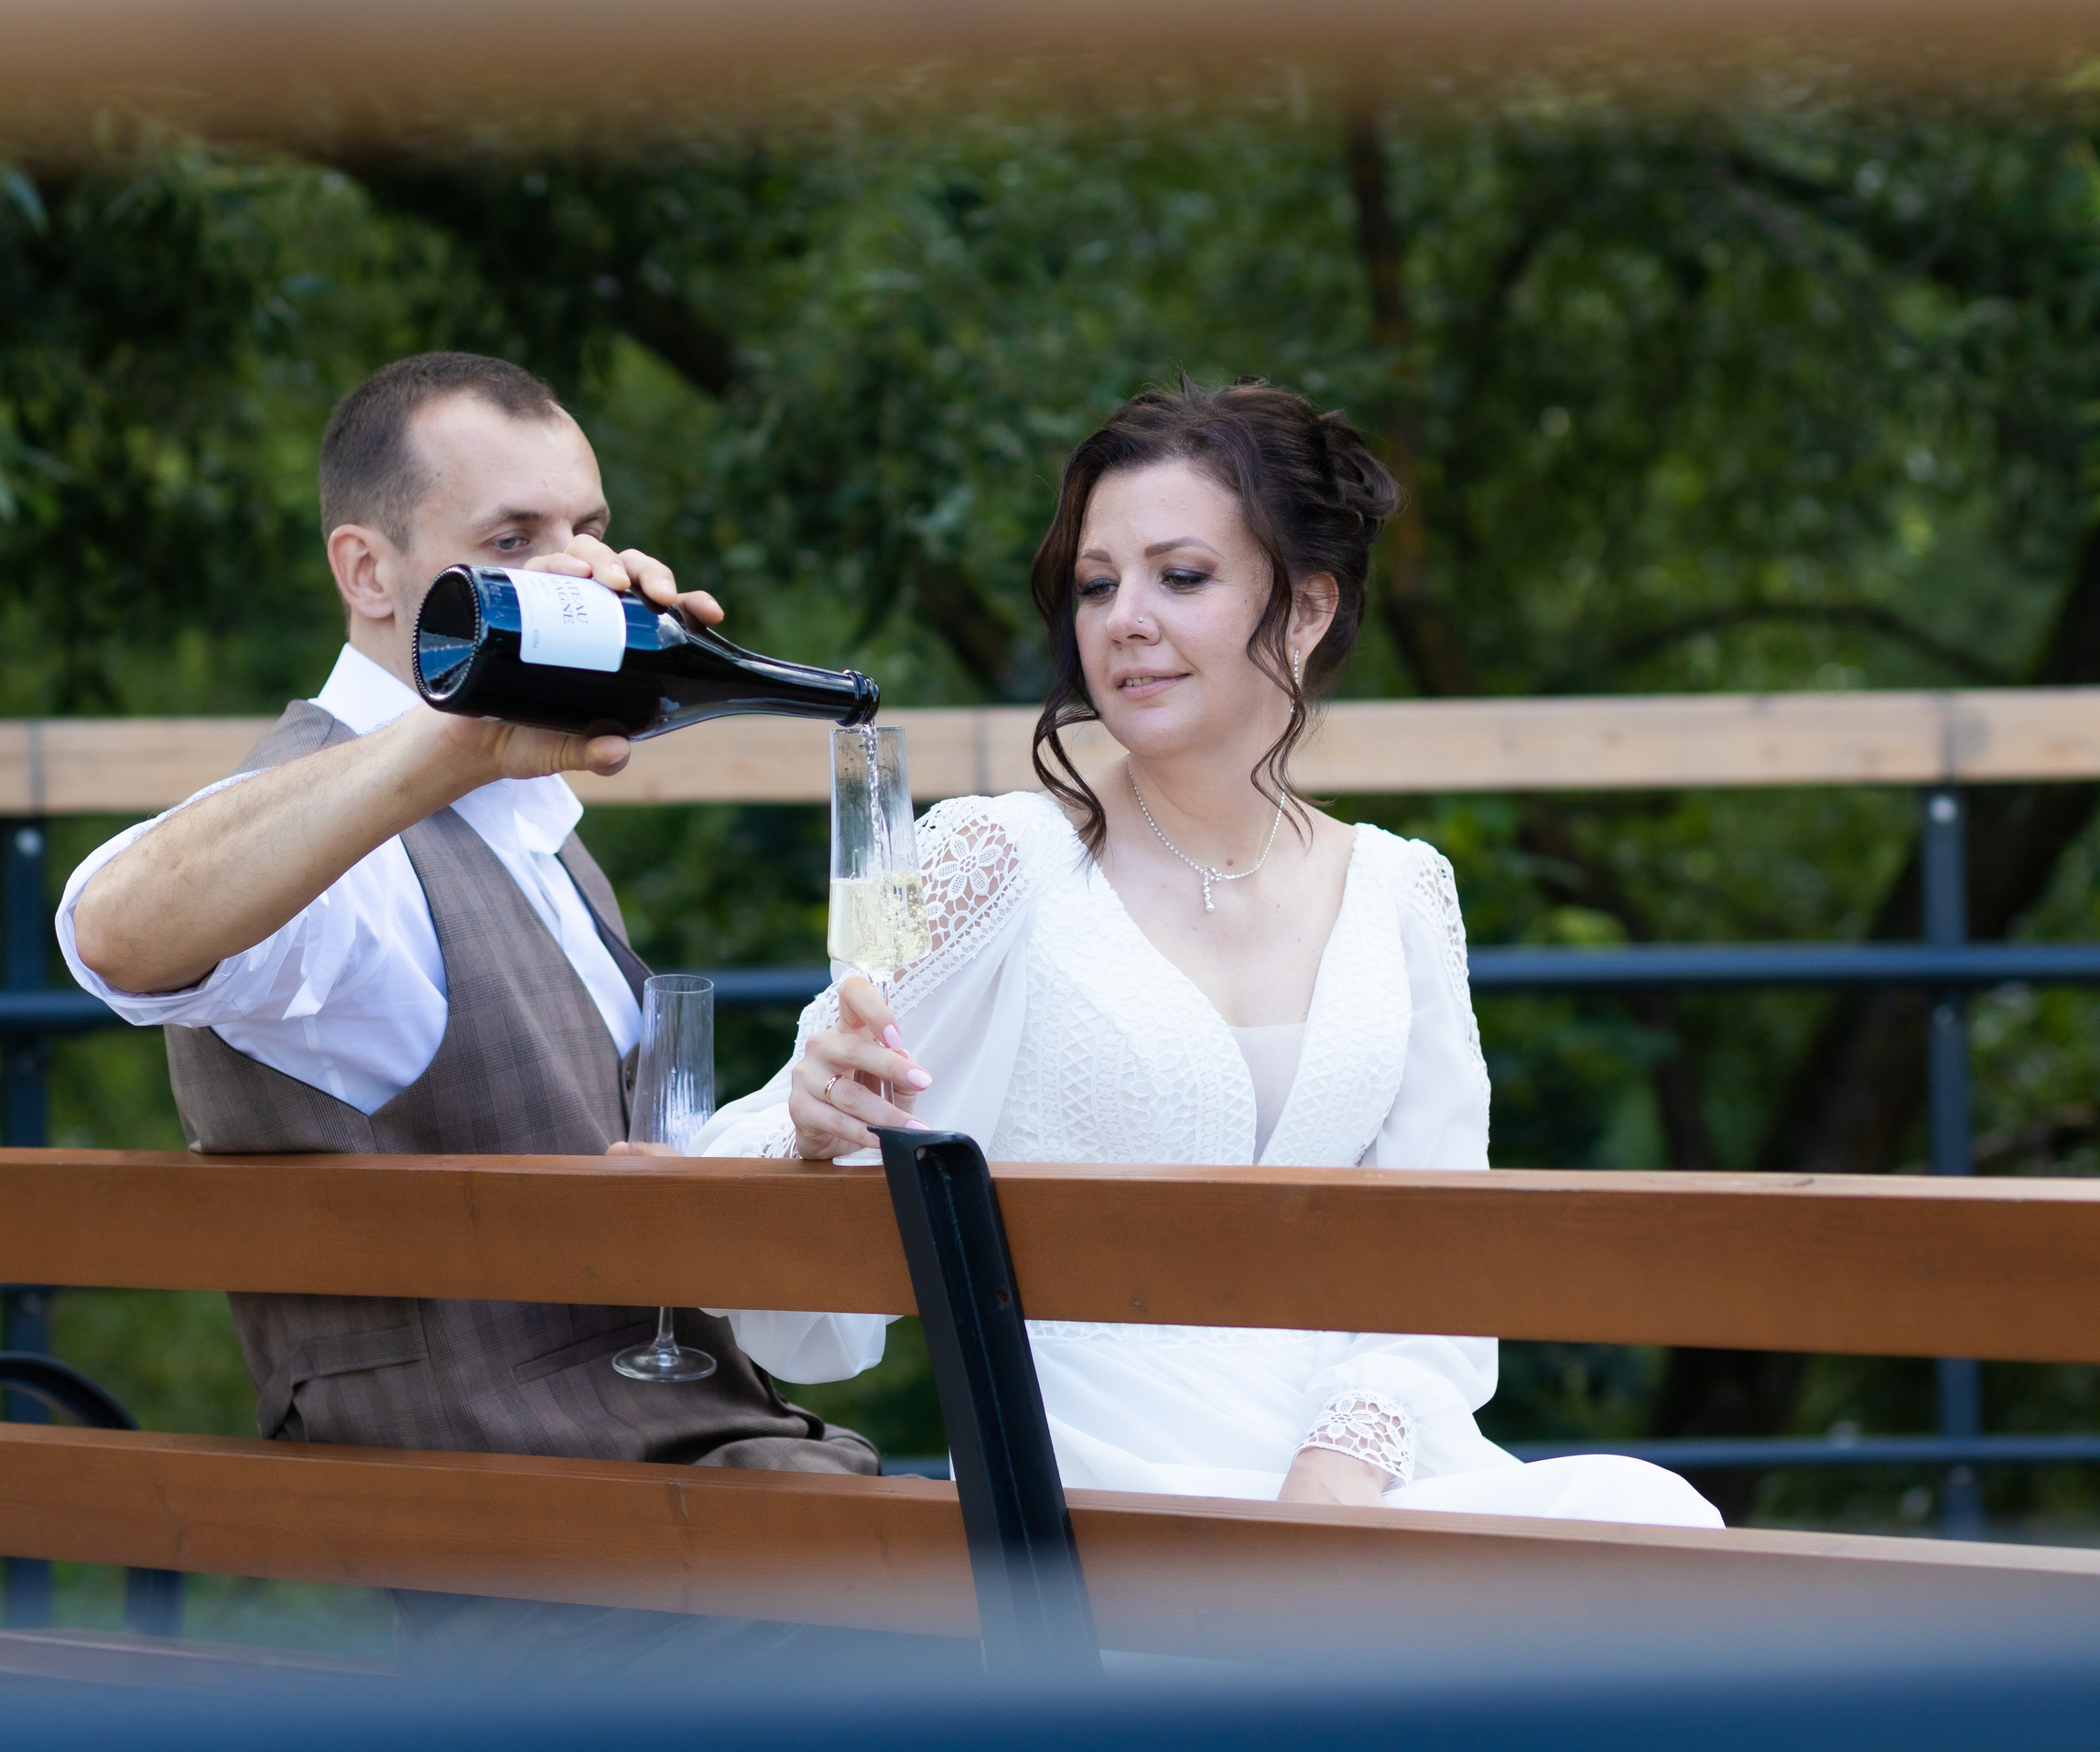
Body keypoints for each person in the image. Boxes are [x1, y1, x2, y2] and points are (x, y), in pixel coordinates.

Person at [699, 379, 1721, 1530]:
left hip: (1361, 1472)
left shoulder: (1400, 890)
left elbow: (1437, 1262)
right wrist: (811, 1118)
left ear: (1304, 610)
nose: (1124, 617)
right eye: (1096, 584)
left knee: (1651, 1514)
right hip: (1105, 1478)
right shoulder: (995, 857)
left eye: (1179, 576)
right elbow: (792, 1136)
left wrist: (1338, 1474)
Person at [58, 351, 893, 1669]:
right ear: (370, 572)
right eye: (515, 540)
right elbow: (113, 927)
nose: (578, 572)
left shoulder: (529, 817)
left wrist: (788, 1127)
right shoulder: (347, 840)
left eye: (589, 531)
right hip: (556, 1551)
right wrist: (460, 732)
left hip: (679, 1504)